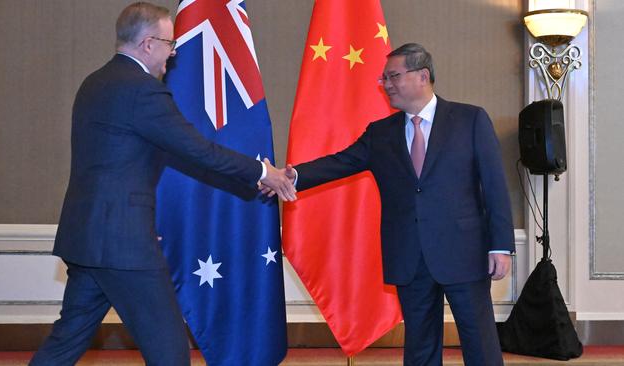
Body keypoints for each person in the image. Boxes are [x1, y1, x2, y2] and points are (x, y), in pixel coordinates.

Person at [29, 2, 295, 365]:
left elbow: (115, 166)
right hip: (123, 245)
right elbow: (199, 150)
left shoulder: (94, 83)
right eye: (171, 44)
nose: (174, 53)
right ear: (148, 43)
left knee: (66, 341)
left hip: (89, 238)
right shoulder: (141, 90)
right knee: (169, 351)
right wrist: (264, 172)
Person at [273, 43, 515, 365]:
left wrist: (500, 245)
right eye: (384, 78)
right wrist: (292, 176)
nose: (386, 84)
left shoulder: (469, 119)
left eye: (393, 76)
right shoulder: (380, 133)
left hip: (465, 252)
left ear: (422, 76)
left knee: (480, 344)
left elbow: (495, 186)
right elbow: (340, 163)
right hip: (409, 257)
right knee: (420, 347)